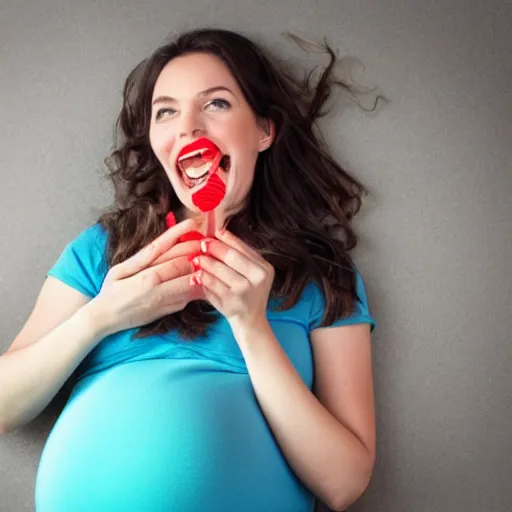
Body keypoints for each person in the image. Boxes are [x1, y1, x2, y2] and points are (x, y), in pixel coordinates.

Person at [0, 28, 378, 512]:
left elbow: (345, 484)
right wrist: (103, 315)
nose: (188, 129)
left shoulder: (323, 276)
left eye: (216, 104)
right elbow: (6, 407)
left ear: (263, 130)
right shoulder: (103, 250)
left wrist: (251, 326)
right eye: (167, 111)